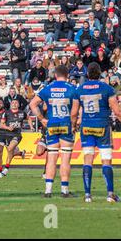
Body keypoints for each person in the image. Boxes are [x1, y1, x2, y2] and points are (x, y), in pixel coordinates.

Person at [71, 62, 121, 203]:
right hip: (102, 127)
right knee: (106, 160)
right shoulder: (106, 89)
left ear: (87, 74)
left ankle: (87, 195)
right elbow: (117, 111)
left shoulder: (79, 89)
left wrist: (73, 126)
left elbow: (74, 112)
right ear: (100, 73)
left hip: (86, 127)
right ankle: (110, 194)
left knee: (88, 159)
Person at [29, 65, 76, 198]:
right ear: (67, 75)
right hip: (66, 125)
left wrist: (41, 119)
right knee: (65, 158)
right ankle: (64, 190)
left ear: (55, 75)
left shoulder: (48, 88)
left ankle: (48, 191)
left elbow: (32, 104)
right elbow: (78, 109)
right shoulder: (72, 89)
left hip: (52, 125)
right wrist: (75, 122)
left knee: (51, 158)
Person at [0, 99, 26, 179]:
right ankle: (0, 172)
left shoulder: (8, 112)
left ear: (3, 104)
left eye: (0, 103)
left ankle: (20, 153)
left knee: (11, 151)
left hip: (9, 134)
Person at [0, 99, 33, 179]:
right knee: (10, 151)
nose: (14, 104)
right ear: (10, 104)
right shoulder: (6, 113)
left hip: (17, 135)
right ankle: (20, 153)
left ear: (18, 105)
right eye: (13, 103)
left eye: (16, 102)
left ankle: (5, 169)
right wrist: (8, 127)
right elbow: (1, 125)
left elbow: (29, 118)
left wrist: (31, 127)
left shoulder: (22, 113)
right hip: (7, 134)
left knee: (10, 149)